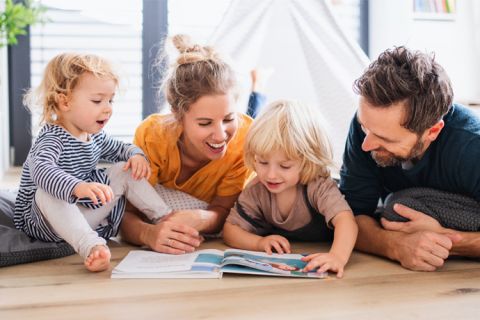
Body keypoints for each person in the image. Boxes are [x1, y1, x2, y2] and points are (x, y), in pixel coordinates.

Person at [14, 53, 174, 272]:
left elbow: (121, 148)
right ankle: (92, 246)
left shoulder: (94, 136)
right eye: (98, 101)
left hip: (80, 215)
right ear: (65, 101)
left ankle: (165, 216)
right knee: (46, 192)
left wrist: (136, 156)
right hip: (44, 221)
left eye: (110, 100)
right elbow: (41, 170)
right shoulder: (52, 139)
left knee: (123, 169)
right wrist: (77, 187)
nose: (107, 108)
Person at [339, 46, 480, 272]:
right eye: (365, 129)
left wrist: (450, 241)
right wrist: (394, 246)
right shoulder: (366, 127)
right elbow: (350, 216)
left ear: (432, 132)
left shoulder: (471, 145)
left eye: (385, 139)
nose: (366, 145)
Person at [120, 34, 253, 254]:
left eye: (229, 119)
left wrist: (202, 218)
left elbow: (225, 210)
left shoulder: (244, 139)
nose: (220, 136)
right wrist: (148, 234)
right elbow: (126, 212)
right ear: (178, 115)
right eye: (205, 123)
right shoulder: (154, 136)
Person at [223, 100, 358, 278]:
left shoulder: (317, 185)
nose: (271, 175)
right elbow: (230, 230)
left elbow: (347, 221)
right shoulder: (257, 189)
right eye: (263, 162)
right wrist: (259, 243)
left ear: (307, 162)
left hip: (328, 246)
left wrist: (337, 256)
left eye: (285, 166)